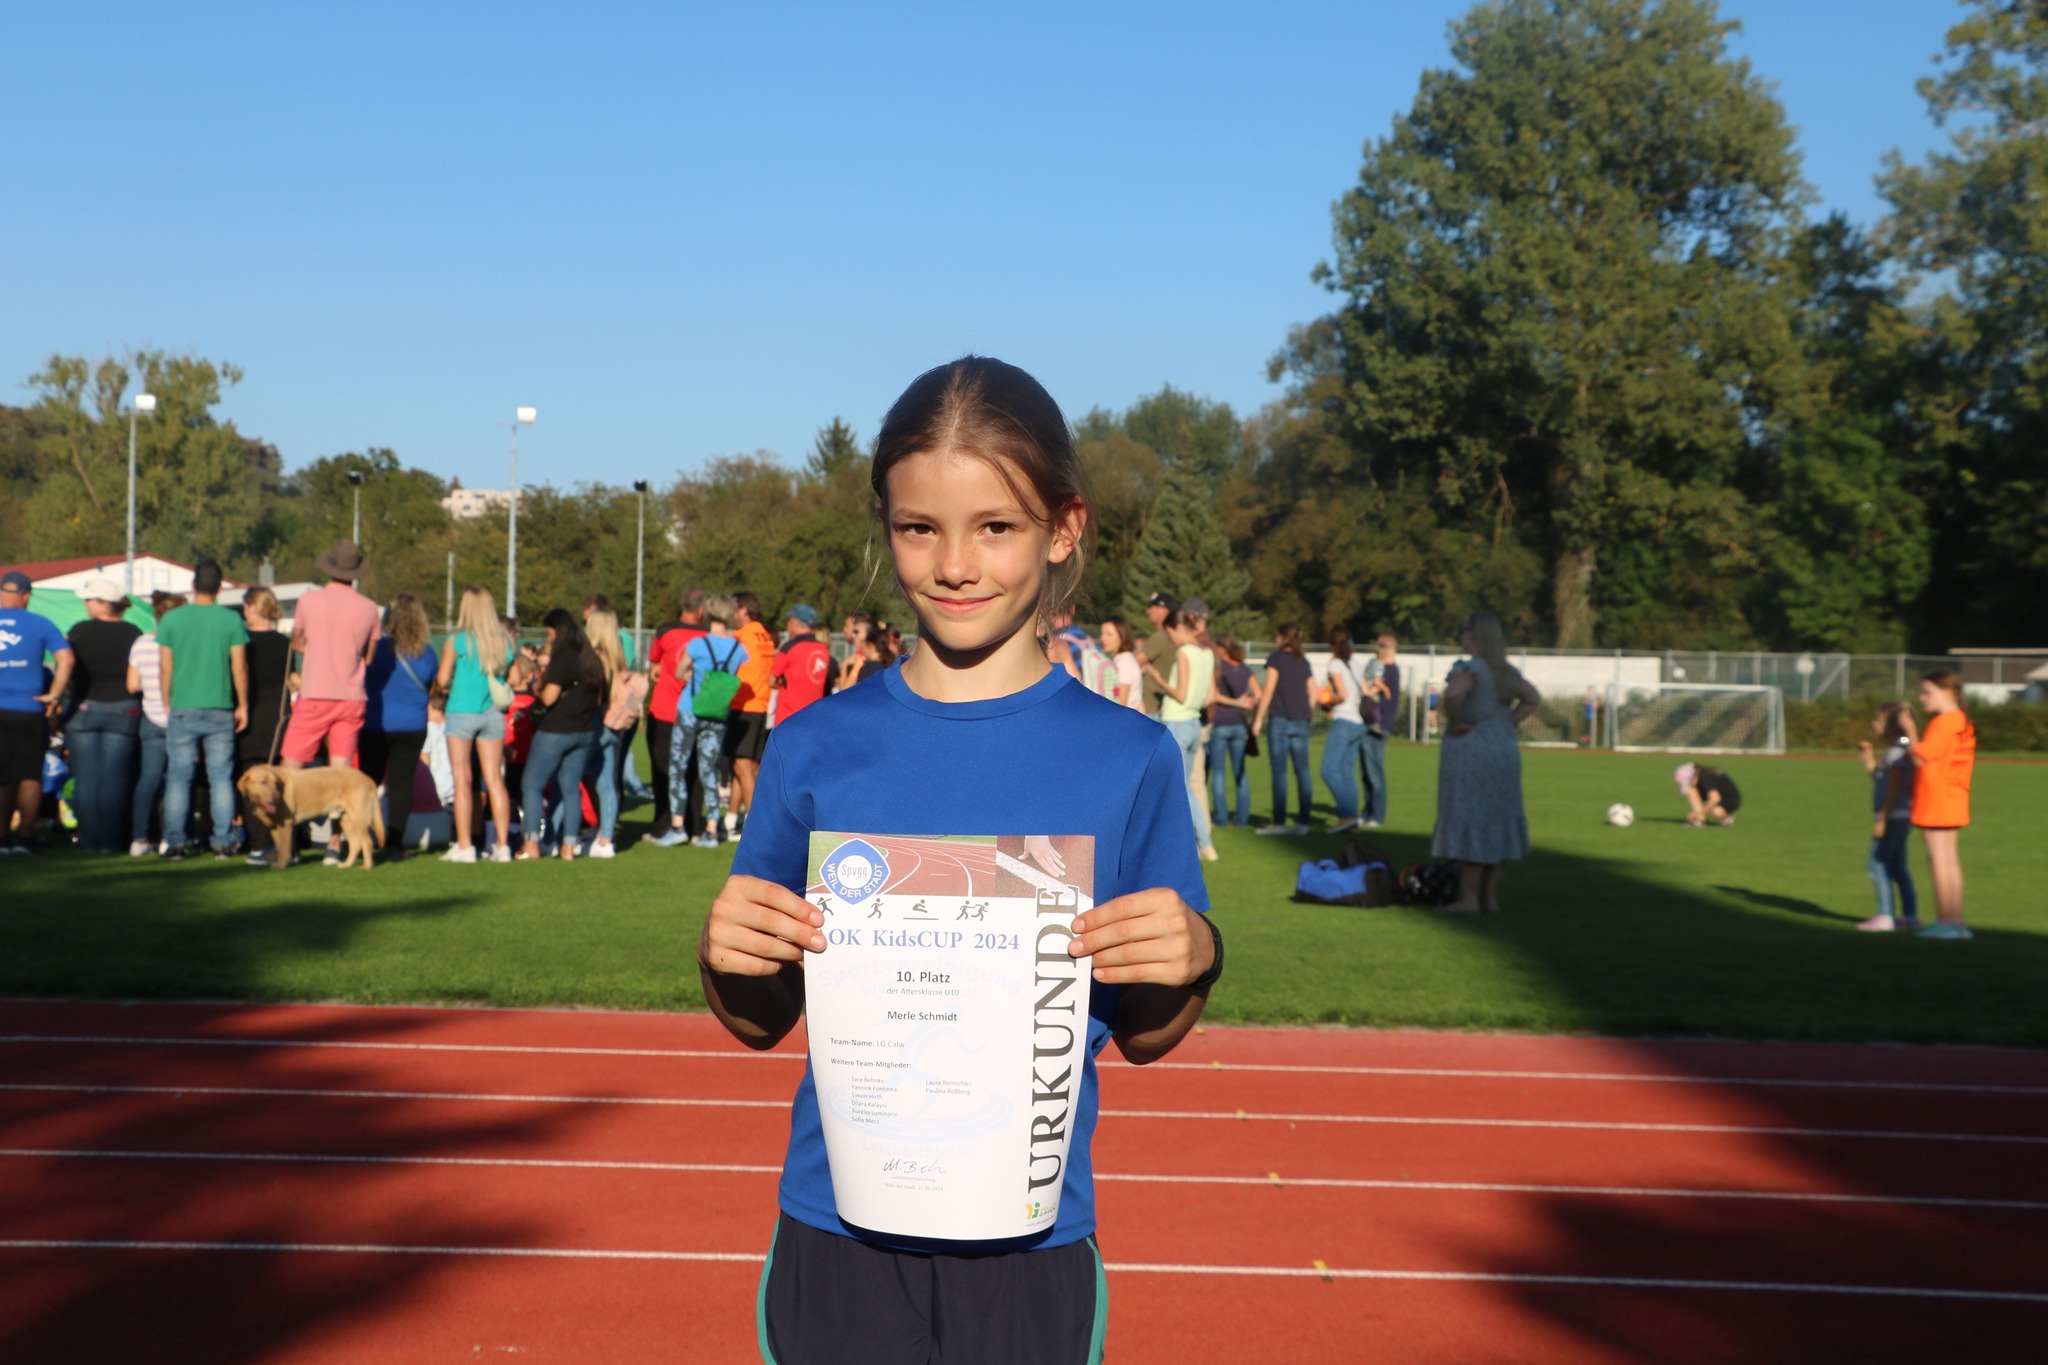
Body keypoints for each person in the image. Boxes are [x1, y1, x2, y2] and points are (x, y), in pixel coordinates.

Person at [702, 356, 1215, 1362]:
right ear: (884, 526)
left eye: (996, 527)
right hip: (838, 1236)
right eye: (919, 528)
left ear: (1063, 528)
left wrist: (1196, 954)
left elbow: (1148, 1034)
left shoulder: (1129, 757)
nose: (954, 565)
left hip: (1029, 1244)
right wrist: (728, 955)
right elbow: (758, 1019)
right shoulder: (813, 745)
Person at [1431, 610, 1542, 912]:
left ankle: (1468, 897)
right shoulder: (1506, 672)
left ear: (1473, 634)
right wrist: (1507, 722)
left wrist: (1456, 722)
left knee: (1472, 816)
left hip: (1472, 749)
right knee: (1498, 818)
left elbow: (1454, 695)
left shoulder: (1470, 669)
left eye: (1463, 629)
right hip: (1503, 748)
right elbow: (1532, 697)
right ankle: (1489, 897)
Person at [155, 560, 248, 859]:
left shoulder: (172, 619)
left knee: (179, 777)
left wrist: (166, 700)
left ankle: (176, 842)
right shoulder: (231, 620)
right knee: (220, 776)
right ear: (220, 587)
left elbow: (165, 666)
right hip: (220, 706)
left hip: (183, 704)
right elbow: (239, 667)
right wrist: (243, 704)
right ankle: (223, 840)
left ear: (193, 585)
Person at [281, 541, 381, 791]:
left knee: (291, 766)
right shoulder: (369, 608)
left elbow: (296, 642)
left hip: (315, 693)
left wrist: (316, 648)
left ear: (329, 567)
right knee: (341, 771)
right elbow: (369, 657)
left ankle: (288, 814)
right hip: (351, 697)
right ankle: (338, 817)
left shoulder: (309, 600)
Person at [657, 593, 747, 849]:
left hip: (690, 709)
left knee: (678, 766)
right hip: (718, 713)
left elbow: (678, 671)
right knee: (709, 771)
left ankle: (677, 826)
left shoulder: (698, 644)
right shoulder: (738, 649)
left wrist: (691, 675)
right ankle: (711, 830)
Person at [435, 586, 515, 864]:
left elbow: (442, 679)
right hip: (492, 713)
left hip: (461, 712)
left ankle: (465, 845)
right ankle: (503, 846)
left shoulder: (457, 641)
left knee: (462, 780)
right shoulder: (503, 640)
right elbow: (511, 675)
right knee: (495, 780)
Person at [63, 577, 142, 854]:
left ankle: (89, 839)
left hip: (84, 707)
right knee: (115, 779)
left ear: (104, 604)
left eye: (89, 599)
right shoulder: (133, 632)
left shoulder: (80, 631)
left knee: (86, 778)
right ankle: (111, 841)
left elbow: (66, 668)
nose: (85, 603)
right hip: (124, 708)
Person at [522, 607, 606, 860]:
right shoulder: (590, 657)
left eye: (550, 634)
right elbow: (600, 698)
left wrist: (537, 689)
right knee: (571, 788)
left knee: (532, 784)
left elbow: (549, 697)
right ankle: (568, 846)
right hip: (585, 730)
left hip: (557, 730)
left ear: (558, 630)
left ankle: (531, 844)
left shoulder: (563, 656)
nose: (549, 639)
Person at [0, 569, 74, 853]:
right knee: (30, 775)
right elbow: (66, 658)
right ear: (26, 596)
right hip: (29, 708)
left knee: (3, 776)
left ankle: (2, 838)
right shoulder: (40, 623)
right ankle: (26, 838)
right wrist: (54, 694)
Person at [361, 593, 436, 861]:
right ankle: (395, 844)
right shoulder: (426, 652)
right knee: (401, 784)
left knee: (367, 783)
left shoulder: (375, 648)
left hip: (375, 723)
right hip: (412, 724)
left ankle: (361, 837)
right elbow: (431, 685)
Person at [1144, 607, 1219, 863]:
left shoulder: (1184, 652)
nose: (1172, 640)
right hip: (1194, 723)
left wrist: (1157, 678)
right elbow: (1209, 696)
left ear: (1177, 628)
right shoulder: (1206, 653)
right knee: (1186, 786)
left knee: (1181, 788)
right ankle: (1197, 843)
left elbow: (1181, 693)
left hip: (1177, 722)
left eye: (1171, 634)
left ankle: (1204, 843)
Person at [1909, 669, 1977, 940]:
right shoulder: (1963, 720)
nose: (1922, 697)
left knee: (1938, 859)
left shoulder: (1943, 722)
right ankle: (1956, 921)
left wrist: (1909, 731)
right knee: (1950, 860)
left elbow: (1919, 757)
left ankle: (1945, 921)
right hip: (1955, 796)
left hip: (1936, 798)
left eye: (1927, 692)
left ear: (1947, 693)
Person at [233, 586, 293, 866]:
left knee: (251, 779)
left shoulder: (242, 642)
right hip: (279, 714)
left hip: (251, 711)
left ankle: (260, 843)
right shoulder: (285, 643)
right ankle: (285, 841)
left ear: (252, 608)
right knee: (277, 779)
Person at [645, 590, 707, 840]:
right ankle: (694, 826)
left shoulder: (665, 631)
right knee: (695, 771)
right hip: (698, 711)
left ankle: (663, 826)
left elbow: (654, 667)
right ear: (701, 610)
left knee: (663, 771)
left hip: (665, 712)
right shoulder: (708, 636)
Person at [582, 607, 643, 858]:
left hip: (596, 724)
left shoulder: (595, 659)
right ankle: (605, 837)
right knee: (607, 782)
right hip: (615, 727)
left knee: (574, 777)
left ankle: (567, 835)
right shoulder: (619, 660)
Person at [125, 591, 183, 855]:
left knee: (148, 779)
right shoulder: (183, 642)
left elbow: (132, 684)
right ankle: (171, 836)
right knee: (177, 780)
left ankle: (139, 838)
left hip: (150, 716)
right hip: (179, 717)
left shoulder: (141, 643)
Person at [1855, 701, 1919, 933]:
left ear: (1892, 726)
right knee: (1898, 867)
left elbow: (1892, 791)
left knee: (1876, 865)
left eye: (1879, 720)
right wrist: (1869, 761)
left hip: (1893, 818)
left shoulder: (1895, 753)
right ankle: (1910, 917)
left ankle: (1886, 916)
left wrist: (1882, 820)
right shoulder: (1900, 749)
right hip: (1902, 817)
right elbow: (1883, 780)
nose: (1874, 724)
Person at [1250, 623, 1314, 834]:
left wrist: (1258, 719)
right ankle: (1303, 823)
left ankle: (1279, 823)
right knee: (1303, 772)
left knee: (1280, 773)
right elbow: (1313, 691)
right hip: (1301, 720)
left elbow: (1269, 688)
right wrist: (1306, 712)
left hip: (1280, 720)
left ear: (1281, 637)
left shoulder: (1276, 658)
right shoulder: (1303, 661)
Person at [724, 591, 777, 838]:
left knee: (743, 768)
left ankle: (753, 827)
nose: (732, 615)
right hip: (760, 703)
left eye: (734, 609)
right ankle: (731, 820)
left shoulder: (741, 636)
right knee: (741, 766)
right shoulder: (765, 635)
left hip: (743, 704)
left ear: (743, 609)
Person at [1207, 633, 1261, 827]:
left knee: (1219, 774)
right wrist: (1249, 705)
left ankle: (1221, 818)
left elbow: (1214, 695)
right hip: (1239, 725)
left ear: (1223, 649)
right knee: (1240, 773)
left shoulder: (1219, 667)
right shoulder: (1245, 669)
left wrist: (1235, 702)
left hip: (1220, 724)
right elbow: (1259, 694)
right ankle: (1242, 818)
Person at [1319, 627, 1369, 835]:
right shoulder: (1356, 664)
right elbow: (1366, 691)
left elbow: (1342, 694)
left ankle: (1347, 815)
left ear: (1331, 644)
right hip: (1360, 723)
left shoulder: (1335, 664)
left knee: (1329, 770)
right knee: (1347, 771)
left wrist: (1326, 702)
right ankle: (1352, 822)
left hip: (1344, 720)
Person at [1359, 632, 1400, 826]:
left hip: (1378, 726)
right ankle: (1367, 813)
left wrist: (1362, 683)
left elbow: (1370, 691)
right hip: (1372, 724)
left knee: (1374, 773)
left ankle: (1377, 815)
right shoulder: (1386, 669)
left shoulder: (1390, 670)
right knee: (1367, 772)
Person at [771, 603, 832, 728]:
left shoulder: (789, 647)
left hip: (788, 718)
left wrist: (782, 681)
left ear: (795, 622)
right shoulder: (823, 649)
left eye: (789, 620)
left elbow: (771, 681)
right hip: (812, 717)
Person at [1138, 591, 1177, 714]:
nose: (1148, 611)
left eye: (1152, 607)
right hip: (1160, 705)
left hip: (1151, 706)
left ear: (1163, 610)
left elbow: (1134, 662)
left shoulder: (1160, 636)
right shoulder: (1173, 636)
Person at [1677, 762, 1742, 826]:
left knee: (1716, 812)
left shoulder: (1705, 777)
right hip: (1714, 795)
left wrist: (1700, 813)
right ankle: (1700, 819)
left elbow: (1715, 798)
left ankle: (1726, 817)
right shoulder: (1696, 772)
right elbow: (1691, 764)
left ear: (1694, 776)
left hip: (1729, 799)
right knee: (1691, 789)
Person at [1098, 618, 1143, 709]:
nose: (1103, 638)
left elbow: (1121, 704)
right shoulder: (1127, 659)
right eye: (1102, 633)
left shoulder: (1123, 663)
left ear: (1122, 636)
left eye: (1109, 634)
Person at [835, 612, 872, 693]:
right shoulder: (861, 653)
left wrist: (845, 664)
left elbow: (844, 691)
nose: (844, 630)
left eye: (847, 626)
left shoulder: (862, 656)